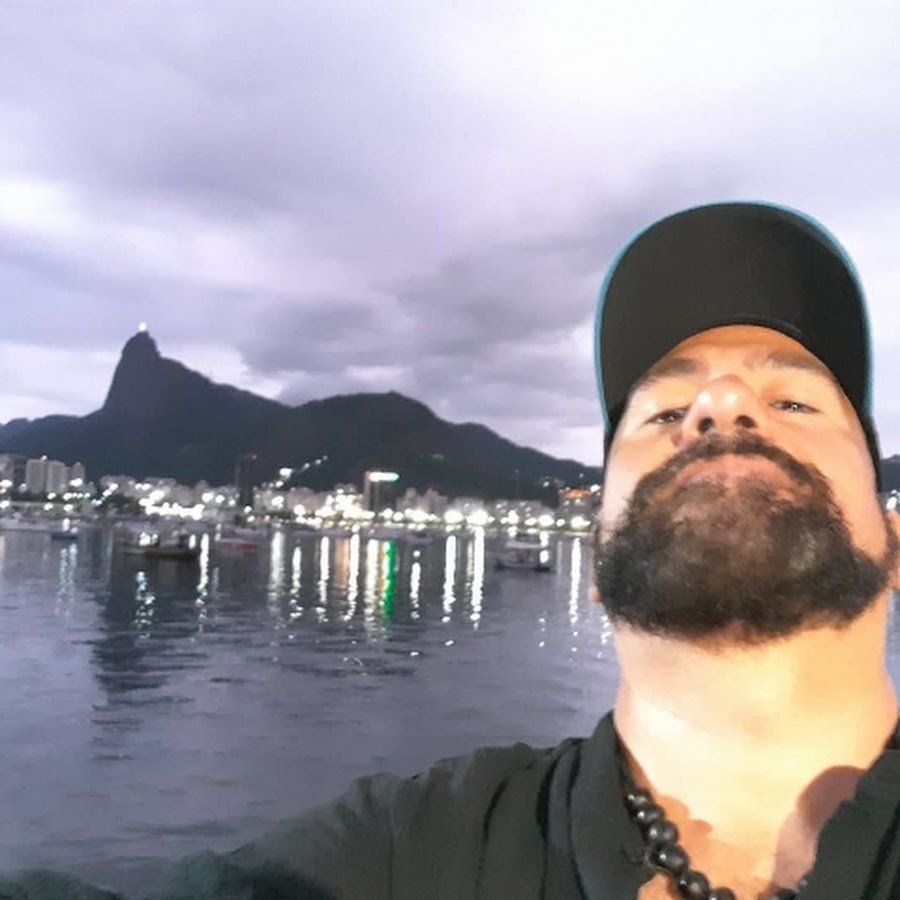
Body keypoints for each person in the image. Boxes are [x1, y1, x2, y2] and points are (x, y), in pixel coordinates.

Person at [3, 201, 899, 900]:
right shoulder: (411, 850)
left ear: (894, 540)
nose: (721, 403)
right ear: (597, 555)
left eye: (793, 401)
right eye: (665, 410)